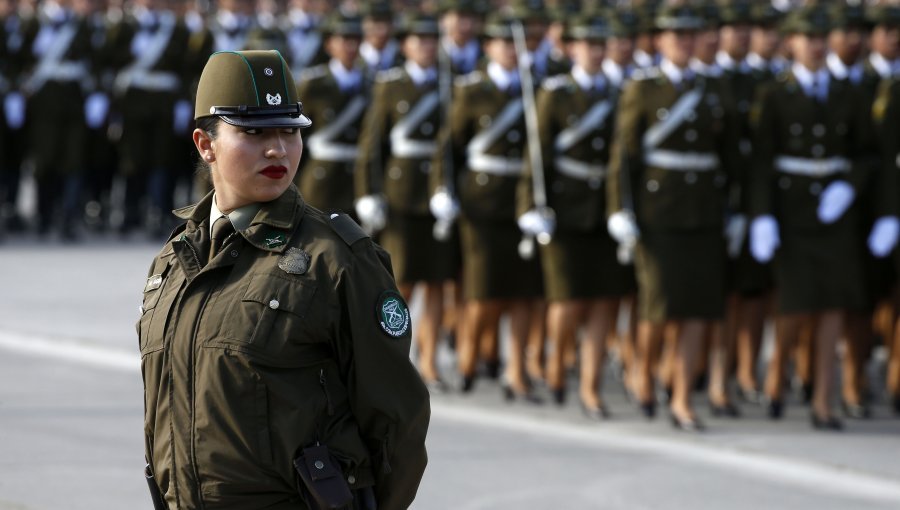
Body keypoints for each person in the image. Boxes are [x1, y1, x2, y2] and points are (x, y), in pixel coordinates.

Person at [138, 49, 429, 509]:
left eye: (289, 131)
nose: (277, 148)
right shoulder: (173, 263)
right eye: (254, 132)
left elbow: (397, 423)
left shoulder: (334, 259)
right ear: (204, 144)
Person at [607, 5, 741, 431]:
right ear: (660, 40)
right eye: (675, 34)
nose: (685, 41)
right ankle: (644, 372)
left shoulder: (713, 86)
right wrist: (620, 210)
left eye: (691, 34)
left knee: (699, 308)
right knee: (660, 305)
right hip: (658, 214)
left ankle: (683, 395)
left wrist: (737, 211)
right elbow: (624, 158)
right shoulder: (642, 88)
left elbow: (730, 155)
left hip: (702, 212)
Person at [749, 6, 874, 431]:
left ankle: (824, 398)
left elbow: (866, 152)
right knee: (795, 306)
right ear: (792, 43)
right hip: (793, 210)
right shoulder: (774, 93)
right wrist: (762, 217)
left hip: (834, 214)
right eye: (808, 38)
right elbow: (762, 160)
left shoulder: (848, 93)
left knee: (833, 307)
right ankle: (776, 376)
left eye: (823, 38)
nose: (816, 46)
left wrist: (849, 187)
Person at [517, 12, 634, 420]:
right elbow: (538, 155)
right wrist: (530, 207)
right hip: (564, 211)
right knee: (566, 300)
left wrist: (624, 209)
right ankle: (555, 361)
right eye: (587, 45)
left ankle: (590, 387)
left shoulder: (621, 92)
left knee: (605, 303)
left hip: (605, 210)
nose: (596, 53)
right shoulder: (556, 93)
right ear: (572, 50)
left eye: (601, 45)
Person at [431, 12, 544, 400]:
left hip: (523, 202)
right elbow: (449, 147)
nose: (512, 51)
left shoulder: (535, 88)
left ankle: (517, 370)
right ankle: (468, 356)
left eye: (518, 44)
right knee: (483, 289)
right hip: (481, 204)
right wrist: (443, 189)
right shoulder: (472, 90)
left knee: (525, 292)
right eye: (504, 44)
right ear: (489, 48)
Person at [355, 12, 458, 393]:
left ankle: (429, 362)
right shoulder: (390, 86)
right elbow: (372, 145)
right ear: (406, 45)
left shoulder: (450, 84)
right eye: (419, 39)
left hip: (438, 198)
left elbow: (454, 147)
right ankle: (391, 357)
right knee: (400, 285)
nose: (427, 46)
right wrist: (369, 192)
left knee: (437, 285)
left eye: (432, 40)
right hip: (401, 195)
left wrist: (450, 189)